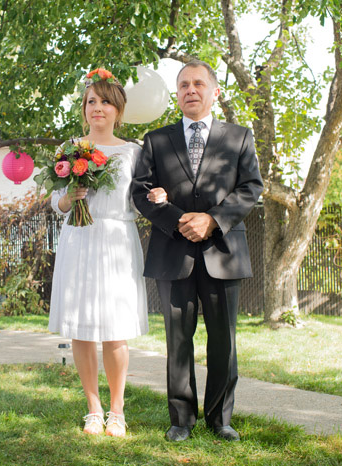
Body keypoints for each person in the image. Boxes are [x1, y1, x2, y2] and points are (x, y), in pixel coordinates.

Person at [131, 60, 263, 442]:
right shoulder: (156, 140)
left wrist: (212, 220)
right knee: (178, 339)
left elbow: (250, 187)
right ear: (177, 93)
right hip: (173, 252)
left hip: (223, 251)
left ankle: (220, 419)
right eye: (184, 84)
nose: (191, 90)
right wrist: (178, 219)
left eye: (199, 83)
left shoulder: (239, 137)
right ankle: (181, 419)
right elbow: (141, 191)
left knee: (224, 339)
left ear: (214, 91)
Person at [48, 69, 148, 437]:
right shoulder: (69, 150)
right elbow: (53, 201)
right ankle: (93, 408)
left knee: (115, 329)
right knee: (82, 329)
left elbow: (139, 201)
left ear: (118, 109)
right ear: (85, 108)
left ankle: (117, 411)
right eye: (92, 101)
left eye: (106, 101)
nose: (98, 108)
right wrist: (66, 198)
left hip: (116, 241)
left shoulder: (134, 152)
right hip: (78, 238)